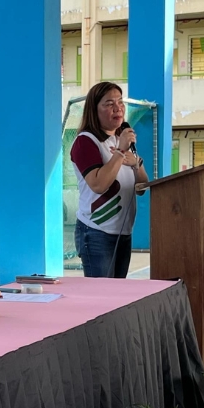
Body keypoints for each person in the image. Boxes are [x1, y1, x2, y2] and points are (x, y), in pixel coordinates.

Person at [70, 82, 149, 278]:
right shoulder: (85, 142)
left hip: (123, 232)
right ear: (94, 110)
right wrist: (121, 151)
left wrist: (135, 164)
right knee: (102, 297)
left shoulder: (122, 139)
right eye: (109, 103)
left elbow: (141, 188)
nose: (118, 108)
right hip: (97, 232)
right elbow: (98, 184)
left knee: (118, 296)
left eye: (120, 102)